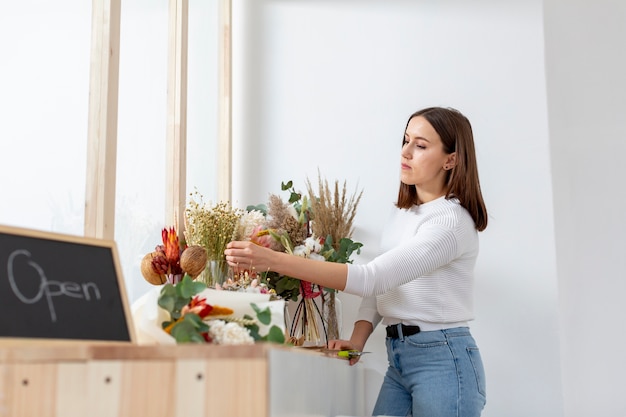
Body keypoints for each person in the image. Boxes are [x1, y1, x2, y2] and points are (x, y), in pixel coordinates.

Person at [225, 106, 488, 417]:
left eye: (420, 145)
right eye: (405, 141)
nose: (405, 152)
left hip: (442, 360)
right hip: (401, 358)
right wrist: (356, 340)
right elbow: (383, 289)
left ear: (451, 160)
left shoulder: (450, 222)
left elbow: (373, 277)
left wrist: (275, 260)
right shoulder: (406, 213)